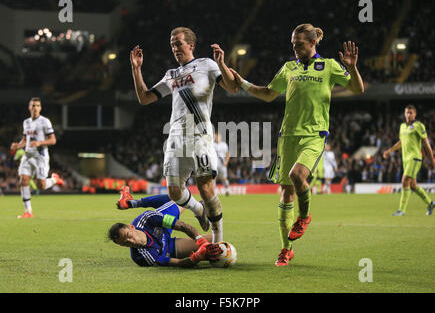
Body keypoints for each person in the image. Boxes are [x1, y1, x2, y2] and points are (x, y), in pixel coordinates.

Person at [229, 23, 364, 266]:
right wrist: (243, 83)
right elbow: (268, 93)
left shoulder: (330, 66)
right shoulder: (289, 68)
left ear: (313, 43)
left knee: (297, 175)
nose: (295, 48)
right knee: (286, 192)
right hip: (288, 136)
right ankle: (285, 249)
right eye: (293, 44)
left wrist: (352, 68)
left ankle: (304, 217)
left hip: (314, 135)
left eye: (299, 44)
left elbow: (357, 89)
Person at [130, 27, 238, 243]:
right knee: (174, 192)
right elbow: (145, 98)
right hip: (176, 137)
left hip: (199, 135)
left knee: (206, 189)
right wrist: (136, 69)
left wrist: (222, 63)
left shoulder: (207, 64)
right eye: (172, 44)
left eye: (178, 43)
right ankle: (198, 210)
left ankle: (217, 241)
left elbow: (232, 87)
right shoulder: (171, 75)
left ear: (191, 45)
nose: (174, 48)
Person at [108, 187, 223, 268]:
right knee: (215, 246)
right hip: (168, 247)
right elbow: (178, 263)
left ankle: (132, 203)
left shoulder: (147, 219)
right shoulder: (142, 257)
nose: (132, 241)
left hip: (162, 224)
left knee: (180, 194)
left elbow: (182, 226)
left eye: (129, 235)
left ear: (132, 227)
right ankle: (199, 209)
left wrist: (200, 240)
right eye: (127, 243)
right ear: (122, 245)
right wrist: (197, 257)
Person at [10, 97, 64, 218]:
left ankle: (54, 179)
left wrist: (39, 143)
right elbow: (25, 140)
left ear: (40, 108)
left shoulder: (45, 121)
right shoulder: (26, 122)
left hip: (40, 156)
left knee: (41, 186)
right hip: (28, 155)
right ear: (29, 107)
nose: (35, 108)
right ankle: (28, 211)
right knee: (23, 180)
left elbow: (53, 140)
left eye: (37, 105)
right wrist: (17, 146)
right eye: (33, 105)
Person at [383, 105, 435, 216]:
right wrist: (389, 151)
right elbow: (401, 142)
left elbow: (426, 144)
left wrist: (432, 160)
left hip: (415, 157)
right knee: (413, 185)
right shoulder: (402, 126)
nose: (408, 115)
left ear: (415, 114)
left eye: (411, 113)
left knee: (404, 181)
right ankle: (430, 203)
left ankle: (401, 210)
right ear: (404, 113)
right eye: (407, 112)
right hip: (405, 159)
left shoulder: (419, 126)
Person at [214, 132, 230, 196]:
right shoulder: (212, 144)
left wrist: (226, 162)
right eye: (216, 137)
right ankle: (213, 191)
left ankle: (227, 188)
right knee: (213, 177)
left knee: (224, 177)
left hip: (222, 163)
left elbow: (227, 154)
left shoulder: (224, 145)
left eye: (218, 137)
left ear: (220, 137)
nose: (217, 138)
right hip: (214, 164)